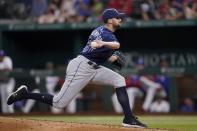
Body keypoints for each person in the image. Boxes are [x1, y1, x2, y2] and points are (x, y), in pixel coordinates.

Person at [7, 8, 147, 128]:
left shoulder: (100, 31)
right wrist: (104, 43)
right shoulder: (106, 34)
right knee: (59, 103)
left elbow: (108, 55)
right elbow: (116, 46)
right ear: (110, 20)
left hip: (93, 67)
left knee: (119, 80)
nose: (120, 20)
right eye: (118, 18)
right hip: (81, 67)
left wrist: (111, 55)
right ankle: (25, 94)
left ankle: (129, 118)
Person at [0, 49, 15, 113]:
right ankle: (5, 114)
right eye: (0, 56)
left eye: (2, 56)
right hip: (2, 82)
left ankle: (11, 112)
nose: (1, 57)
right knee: (3, 98)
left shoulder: (7, 59)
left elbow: (8, 69)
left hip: (9, 81)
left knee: (9, 93)